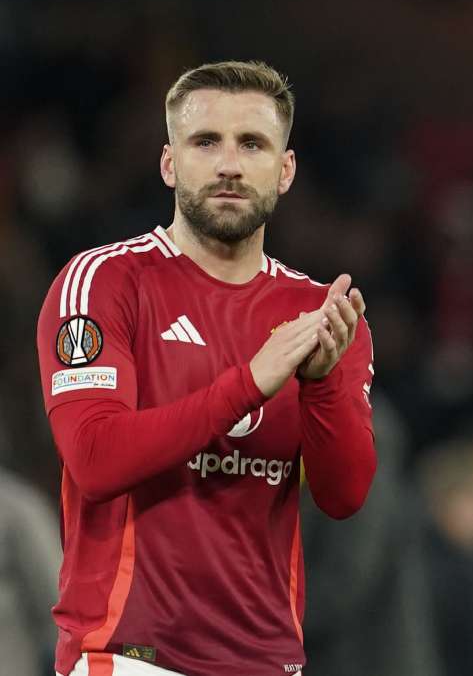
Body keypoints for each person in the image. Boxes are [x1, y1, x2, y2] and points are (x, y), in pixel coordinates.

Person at [34, 60, 376, 676]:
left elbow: (345, 496)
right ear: (169, 163)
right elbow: (94, 458)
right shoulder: (103, 282)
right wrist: (249, 384)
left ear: (285, 169)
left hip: (270, 661)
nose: (229, 164)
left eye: (252, 144)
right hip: (130, 657)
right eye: (205, 142)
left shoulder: (318, 313)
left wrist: (322, 384)